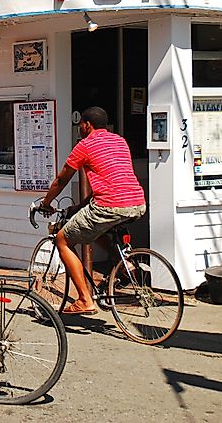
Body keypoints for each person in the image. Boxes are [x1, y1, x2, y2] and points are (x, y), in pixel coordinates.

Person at [38, 106, 146, 315]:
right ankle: (125, 266)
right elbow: (111, 180)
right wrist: (80, 206)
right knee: (92, 231)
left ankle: (84, 299)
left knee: (62, 240)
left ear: (87, 125)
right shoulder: (120, 141)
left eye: (80, 126)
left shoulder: (85, 145)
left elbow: (62, 179)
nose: (80, 130)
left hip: (110, 205)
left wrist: (46, 203)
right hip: (136, 202)